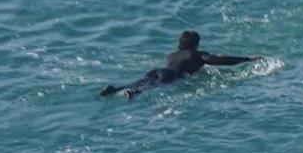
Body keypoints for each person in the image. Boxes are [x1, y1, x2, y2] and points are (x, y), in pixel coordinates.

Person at [99, 31, 264, 99]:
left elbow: (208, 59)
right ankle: (133, 93)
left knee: (141, 82)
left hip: (158, 70)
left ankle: (114, 89)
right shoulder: (197, 54)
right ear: (196, 45)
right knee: (149, 87)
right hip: (171, 75)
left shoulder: (172, 54)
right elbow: (219, 61)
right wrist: (247, 58)